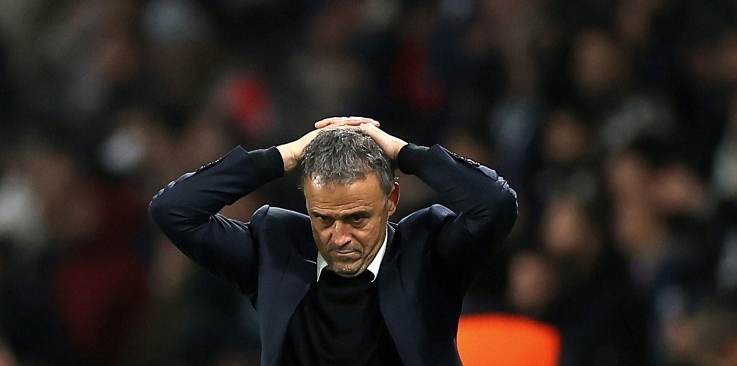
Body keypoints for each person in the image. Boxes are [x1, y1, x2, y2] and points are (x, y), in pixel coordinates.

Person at [149, 116, 518, 365]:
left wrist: (404, 153)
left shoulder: (428, 253)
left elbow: (496, 205)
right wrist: (282, 157)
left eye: (357, 218)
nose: (339, 238)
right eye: (323, 218)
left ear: (391, 201)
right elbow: (173, 210)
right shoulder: (275, 249)